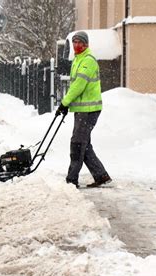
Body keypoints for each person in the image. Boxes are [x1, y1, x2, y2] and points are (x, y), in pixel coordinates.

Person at [56, 31, 112, 188]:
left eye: (80, 42)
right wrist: (68, 106)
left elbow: (78, 85)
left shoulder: (88, 61)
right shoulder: (77, 60)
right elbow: (76, 86)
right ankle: (101, 175)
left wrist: (65, 103)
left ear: (86, 44)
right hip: (82, 109)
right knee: (84, 144)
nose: (76, 45)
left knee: (78, 143)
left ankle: (71, 179)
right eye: (74, 42)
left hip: (89, 109)